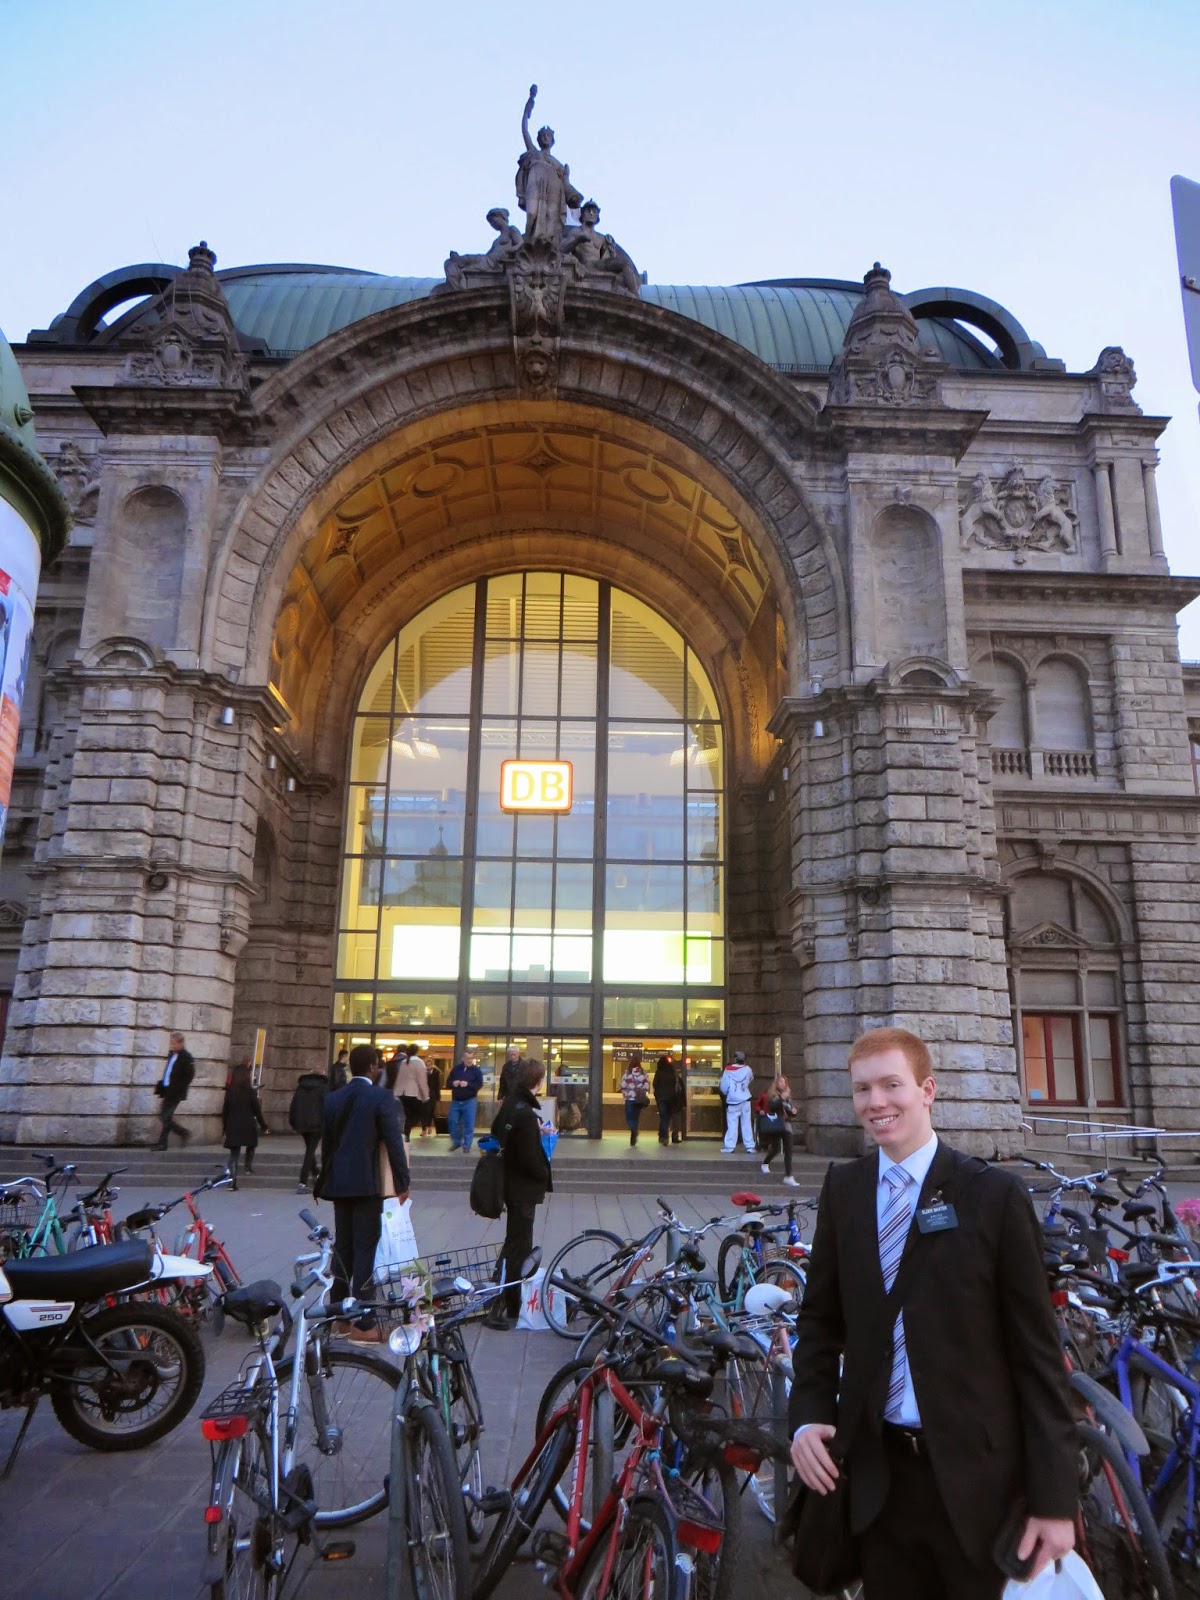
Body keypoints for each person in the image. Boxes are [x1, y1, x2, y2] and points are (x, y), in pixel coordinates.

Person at [789, 1026, 1077, 1599]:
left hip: (977, 1487)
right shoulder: (844, 1188)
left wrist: (1054, 1501)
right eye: (862, 1089)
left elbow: (1038, 1357)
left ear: (927, 1090)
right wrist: (807, 1417)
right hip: (879, 1481)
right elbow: (819, 1320)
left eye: (891, 1084)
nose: (876, 1102)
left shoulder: (993, 1196)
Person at [319, 1041, 410, 1344]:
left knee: (343, 1247)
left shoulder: (333, 1098)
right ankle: (364, 1322)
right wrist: (402, 1183)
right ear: (373, 1067)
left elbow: (327, 1145)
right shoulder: (379, 1097)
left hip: (339, 1183)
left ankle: (339, 1317)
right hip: (367, 1184)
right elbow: (394, 1142)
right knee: (365, 1249)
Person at [488, 1059, 553, 1330]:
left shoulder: (512, 1104)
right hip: (522, 1187)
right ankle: (509, 1303)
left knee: (513, 1241)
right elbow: (529, 1159)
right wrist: (544, 1172)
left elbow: (496, 1131)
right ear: (538, 1082)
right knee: (520, 1247)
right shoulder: (525, 1113)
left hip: (510, 1183)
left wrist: (534, 1132)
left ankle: (499, 1295)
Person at [221, 1059, 267, 1189]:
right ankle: (247, 1167)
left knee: (234, 1155)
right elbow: (257, 1110)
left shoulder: (230, 1092)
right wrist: (264, 1125)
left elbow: (225, 1111)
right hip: (247, 1125)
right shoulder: (250, 1092)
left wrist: (224, 1128)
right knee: (251, 1145)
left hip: (233, 1125)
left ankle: (231, 1181)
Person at [152, 1031, 194, 1149]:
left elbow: (189, 1076)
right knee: (164, 1116)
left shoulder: (186, 1057)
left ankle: (163, 1143)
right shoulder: (171, 1054)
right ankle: (183, 1133)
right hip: (167, 1090)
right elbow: (169, 1071)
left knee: (166, 1116)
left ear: (181, 1043)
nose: (172, 1045)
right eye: (171, 1043)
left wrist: (179, 1087)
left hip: (176, 1092)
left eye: (174, 1043)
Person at [289, 1067, 328, 1193]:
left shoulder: (301, 1087)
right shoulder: (323, 1087)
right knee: (310, 1151)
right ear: (322, 1075)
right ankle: (302, 1182)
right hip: (317, 1124)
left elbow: (294, 1105)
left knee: (310, 1149)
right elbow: (327, 1105)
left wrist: (293, 1122)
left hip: (302, 1123)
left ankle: (316, 1174)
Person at [758, 1073, 799, 1186]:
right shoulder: (773, 1095)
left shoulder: (787, 1096)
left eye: (784, 1082)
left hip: (786, 1124)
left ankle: (788, 1175)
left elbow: (788, 1109)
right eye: (780, 1082)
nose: (782, 1084)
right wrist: (782, 1098)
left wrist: (793, 1111)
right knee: (775, 1148)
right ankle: (765, 1162)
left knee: (788, 1149)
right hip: (776, 1124)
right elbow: (772, 1106)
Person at [446, 1047, 483, 1152]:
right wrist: (453, 1083)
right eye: (467, 1058)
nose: (469, 1060)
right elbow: (448, 1083)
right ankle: (457, 1142)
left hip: (470, 1101)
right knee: (452, 1121)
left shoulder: (476, 1071)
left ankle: (467, 1145)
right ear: (463, 1058)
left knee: (469, 1124)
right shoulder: (456, 1069)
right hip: (456, 1101)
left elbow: (479, 1085)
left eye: (471, 1058)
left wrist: (468, 1084)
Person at [720, 1050, 754, 1153]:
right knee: (746, 1123)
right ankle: (749, 1146)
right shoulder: (748, 1069)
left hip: (733, 1100)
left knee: (732, 1124)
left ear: (735, 1059)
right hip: (745, 1098)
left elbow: (724, 1086)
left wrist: (727, 1093)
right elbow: (751, 1078)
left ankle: (730, 1146)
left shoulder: (728, 1070)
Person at [393, 1045, 428, 1144]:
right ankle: (406, 1134)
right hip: (413, 1093)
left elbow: (399, 1078)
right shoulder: (419, 1062)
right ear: (417, 1051)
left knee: (408, 1114)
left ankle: (406, 1135)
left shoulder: (404, 1062)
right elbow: (422, 1080)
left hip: (402, 1093)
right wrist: (425, 1095)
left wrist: (396, 1092)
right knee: (417, 1115)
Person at [619, 1051, 650, 1147]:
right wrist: (641, 1092)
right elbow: (647, 1086)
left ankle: (632, 1129)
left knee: (629, 1117)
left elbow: (623, 1086)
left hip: (629, 1099)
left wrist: (625, 1094)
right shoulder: (643, 1074)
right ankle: (634, 1132)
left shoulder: (627, 1074)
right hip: (638, 1100)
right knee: (636, 1117)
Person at [422, 1058, 442, 1138]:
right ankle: (424, 1129)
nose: (428, 1067)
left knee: (430, 1112)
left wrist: (438, 1096)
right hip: (424, 1094)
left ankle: (429, 1126)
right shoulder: (423, 1072)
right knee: (423, 1112)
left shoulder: (436, 1073)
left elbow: (437, 1085)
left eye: (429, 1065)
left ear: (432, 1065)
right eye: (427, 1065)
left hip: (432, 1095)